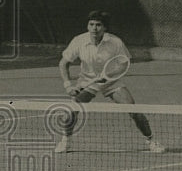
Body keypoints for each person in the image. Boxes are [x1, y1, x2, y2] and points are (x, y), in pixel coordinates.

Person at [55, 10, 165, 155]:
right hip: (87, 81)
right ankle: (66, 140)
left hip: (111, 81)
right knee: (72, 110)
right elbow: (63, 63)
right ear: (87, 26)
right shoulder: (79, 41)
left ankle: (151, 140)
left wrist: (108, 75)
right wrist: (68, 85)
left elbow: (123, 63)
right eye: (91, 24)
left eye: (98, 25)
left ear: (105, 28)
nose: (94, 28)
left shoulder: (115, 42)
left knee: (133, 110)